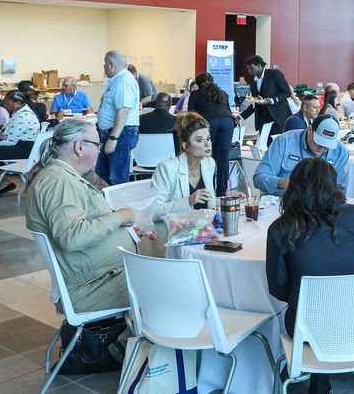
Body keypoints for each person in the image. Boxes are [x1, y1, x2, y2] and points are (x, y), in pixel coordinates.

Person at [266, 158, 354, 394]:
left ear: (293, 187)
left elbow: (278, 289)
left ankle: (317, 384)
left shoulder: (281, 227)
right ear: (333, 185)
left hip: (305, 329)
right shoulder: (352, 215)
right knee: (330, 309)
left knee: (310, 310)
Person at [26, 118, 136, 313]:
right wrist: (119, 217)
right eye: (97, 145)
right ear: (79, 147)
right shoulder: (58, 181)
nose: (99, 151)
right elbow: (72, 237)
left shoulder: (61, 176)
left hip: (102, 276)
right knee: (178, 283)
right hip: (93, 287)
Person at [254, 115, 349, 195]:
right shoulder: (284, 141)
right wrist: (284, 183)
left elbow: (341, 190)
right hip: (284, 203)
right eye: (319, 142)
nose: (322, 148)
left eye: (327, 145)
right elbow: (259, 178)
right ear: (309, 129)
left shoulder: (341, 152)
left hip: (322, 207)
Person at [151, 112, 221, 218]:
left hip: (204, 230)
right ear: (185, 146)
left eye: (208, 138)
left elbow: (208, 201)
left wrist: (229, 200)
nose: (207, 144)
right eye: (199, 140)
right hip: (176, 231)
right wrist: (188, 201)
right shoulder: (167, 168)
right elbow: (154, 212)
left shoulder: (209, 163)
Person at [96, 51, 141, 185]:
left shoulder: (123, 82)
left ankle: (119, 205)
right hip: (114, 133)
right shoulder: (118, 80)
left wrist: (113, 138)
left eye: (105, 64)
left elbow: (123, 111)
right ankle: (111, 202)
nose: (103, 67)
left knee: (117, 177)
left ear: (111, 65)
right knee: (102, 171)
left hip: (120, 134)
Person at [187, 73, 237, 193]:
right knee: (223, 159)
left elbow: (191, 115)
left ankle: (207, 191)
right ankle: (221, 193)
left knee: (206, 157)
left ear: (198, 85)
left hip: (209, 123)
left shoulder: (195, 94)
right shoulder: (223, 93)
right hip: (227, 122)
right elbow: (229, 111)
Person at [0, 91, 40, 190]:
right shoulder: (19, 112)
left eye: (7, 104)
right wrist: (1, 128)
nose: (5, 106)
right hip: (21, 146)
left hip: (23, 149)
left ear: (17, 103)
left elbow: (10, 142)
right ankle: (4, 182)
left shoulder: (23, 116)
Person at [240, 55, 293, 138]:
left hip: (278, 117)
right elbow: (256, 103)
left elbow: (287, 92)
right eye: (248, 69)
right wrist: (241, 117)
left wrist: (272, 100)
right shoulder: (253, 81)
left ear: (259, 66)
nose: (249, 71)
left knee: (279, 144)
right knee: (265, 145)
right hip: (263, 120)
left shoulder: (274, 74)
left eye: (251, 68)